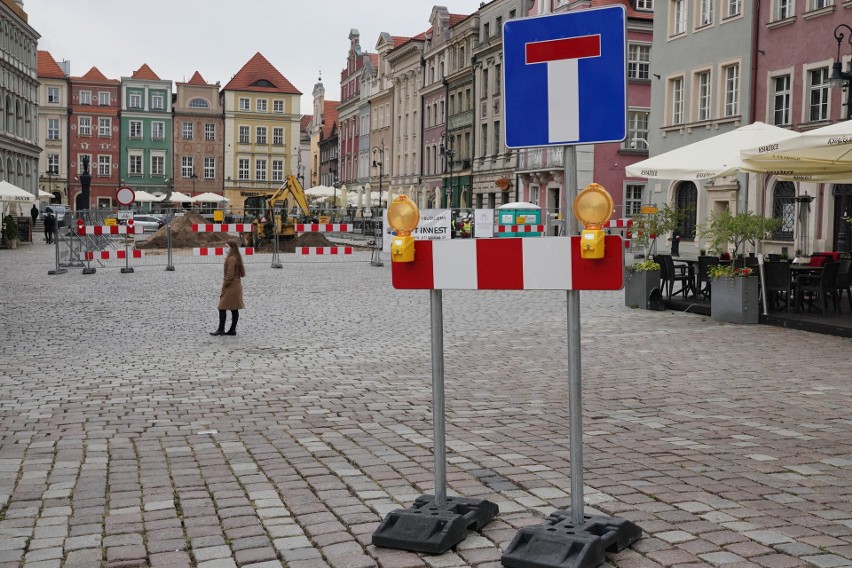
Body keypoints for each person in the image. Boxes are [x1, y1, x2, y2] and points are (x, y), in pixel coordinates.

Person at [211, 240, 245, 336]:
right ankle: (232, 330)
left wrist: (224, 285)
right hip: (236, 285)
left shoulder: (231, 259)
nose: (225, 248)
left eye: (226, 246)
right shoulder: (237, 257)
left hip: (231, 286)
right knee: (234, 309)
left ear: (231, 248)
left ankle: (221, 329)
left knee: (222, 307)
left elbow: (229, 275)